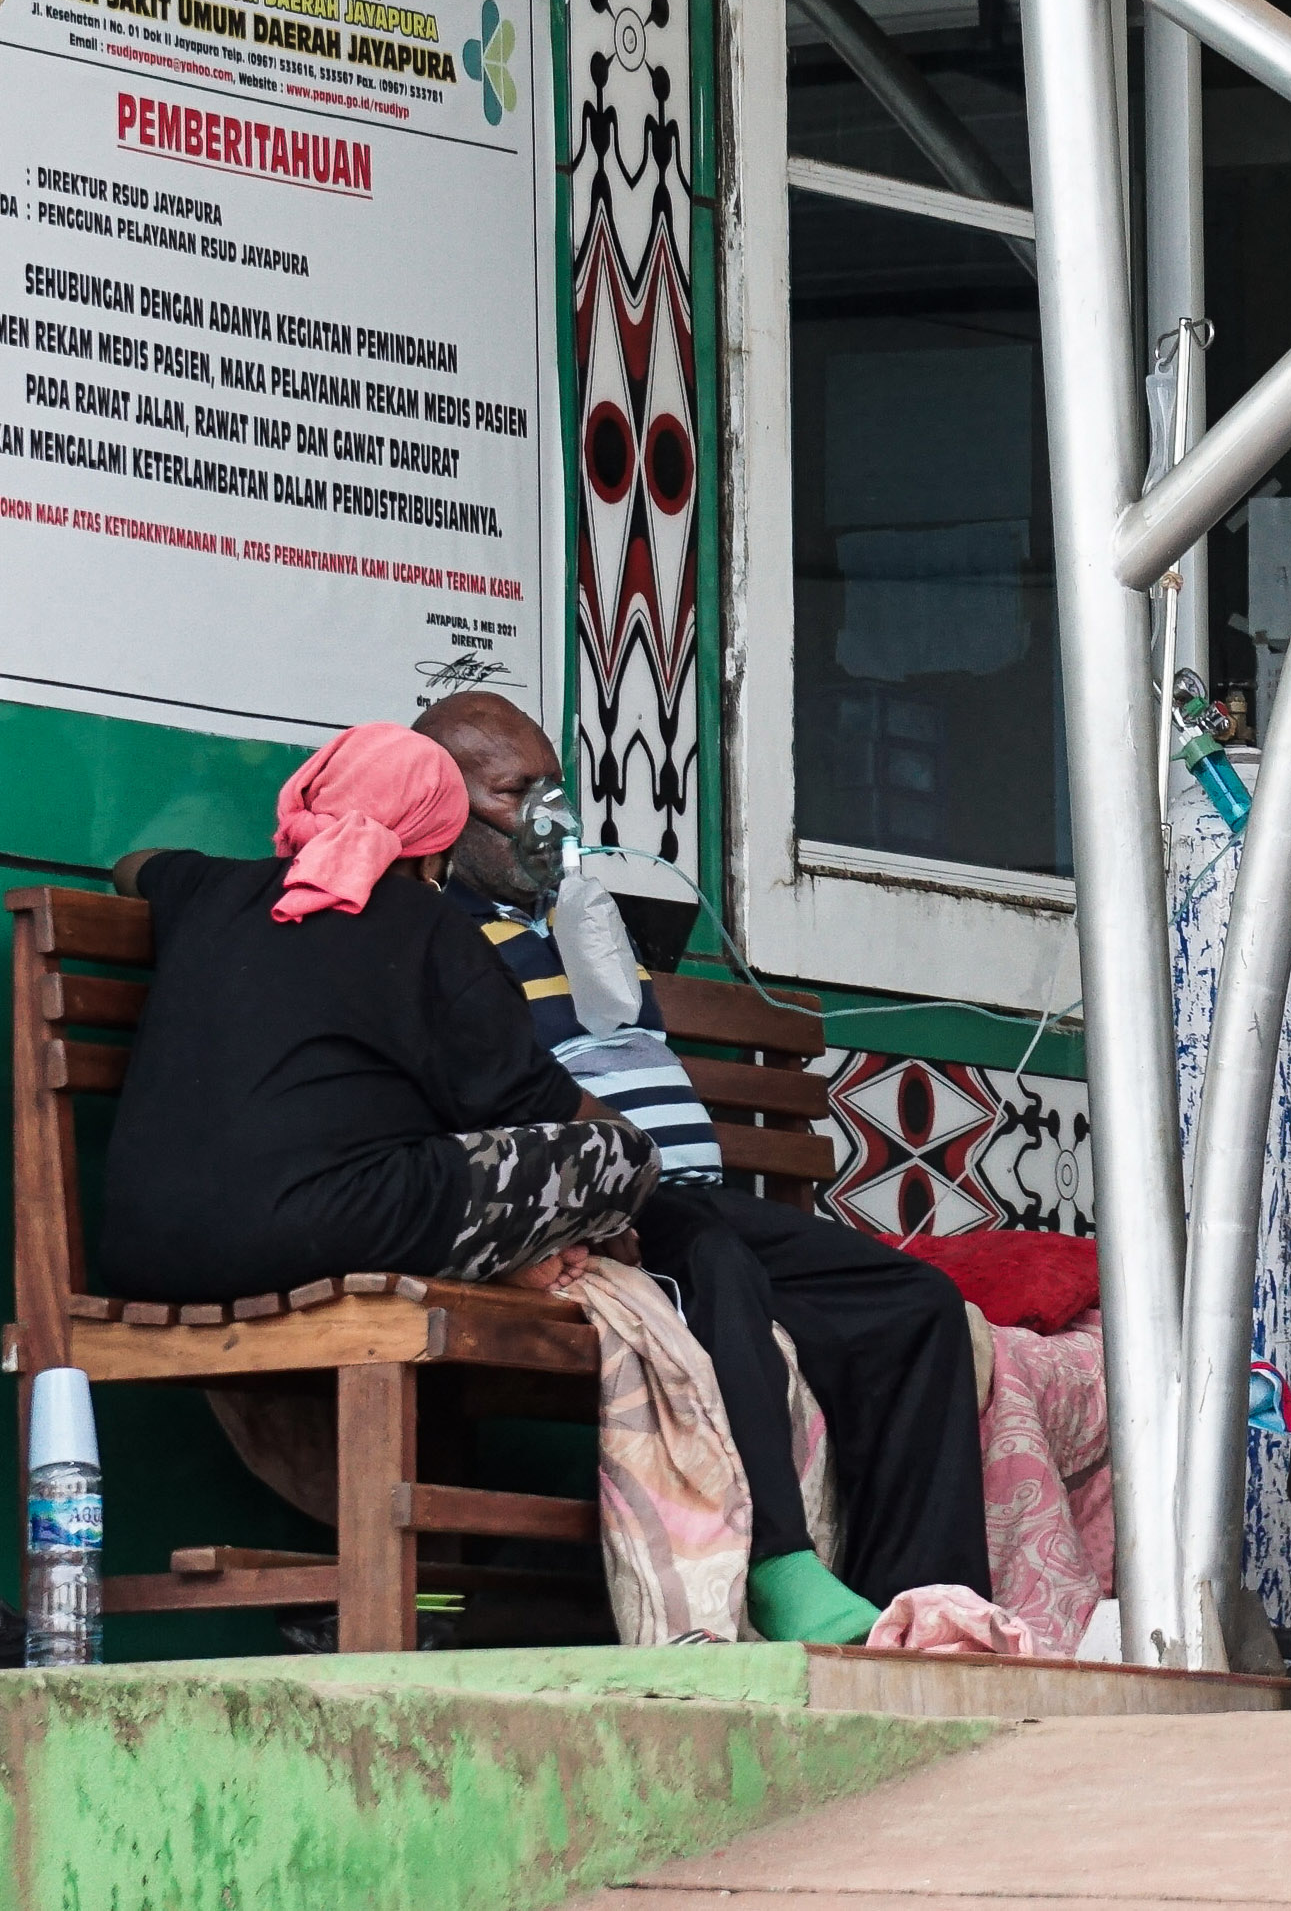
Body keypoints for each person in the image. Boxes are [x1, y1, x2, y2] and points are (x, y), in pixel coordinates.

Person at [412, 693, 991, 1645]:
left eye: (557, 791)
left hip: (692, 1194)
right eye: (518, 795)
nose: (548, 818)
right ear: (447, 806)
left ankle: (921, 1607)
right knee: (714, 1260)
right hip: (594, 1209)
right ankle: (780, 1567)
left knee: (916, 1301)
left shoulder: (573, 913)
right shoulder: (432, 928)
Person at [96, 724, 656, 1306]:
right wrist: (621, 1155)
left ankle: (516, 1258)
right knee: (631, 1157)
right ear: (435, 854)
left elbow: (132, 865)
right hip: (302, 1240)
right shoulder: (430, 927)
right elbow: (536, 1106)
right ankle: (518, 1256)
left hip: (143, 1255)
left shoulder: (212, 888)